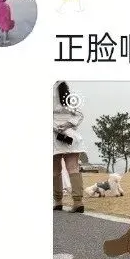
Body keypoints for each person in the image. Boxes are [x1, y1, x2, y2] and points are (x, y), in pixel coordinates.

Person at [53, 81, 86, 212]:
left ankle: (58, 202)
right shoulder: (68, 95)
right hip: (71, 135)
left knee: (55, 170)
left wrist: (56, 127)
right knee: (73, 168)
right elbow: (79, 114)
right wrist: (67, 124)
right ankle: (78, 202)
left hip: (54, 137)